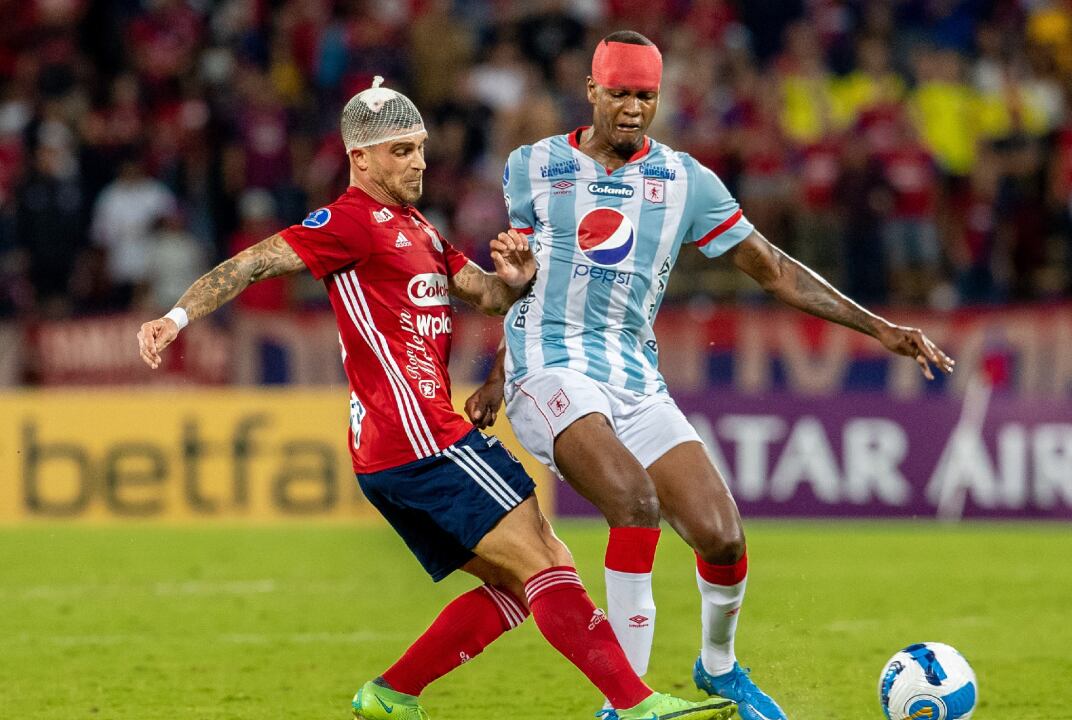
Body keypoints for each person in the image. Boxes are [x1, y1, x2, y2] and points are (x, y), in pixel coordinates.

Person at [136, 77, 735, 720]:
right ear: (359, 159)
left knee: (514, 584)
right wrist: (175, 318)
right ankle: (638, 704)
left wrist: (516, 277)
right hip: (419, 436)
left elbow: (486, 295)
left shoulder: (418, 228)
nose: (417, 161)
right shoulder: (349, 223)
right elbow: (253, 262)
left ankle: (391, 694)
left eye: (420, 147)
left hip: (400, 445)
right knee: (546, 560)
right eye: (399, 150)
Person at [466, 32, 956, 720]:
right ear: (592, 91)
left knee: (722, 535)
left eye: (646, 95)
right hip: (547, 367)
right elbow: (523, 280)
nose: (633, 108)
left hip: (633, 375)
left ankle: (717, 667)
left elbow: (776, 270)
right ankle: (626, 703)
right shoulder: (533, 166)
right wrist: (497, 374)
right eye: (620, 93)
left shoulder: (685, 180)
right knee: (632, 503)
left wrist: (882, 328)